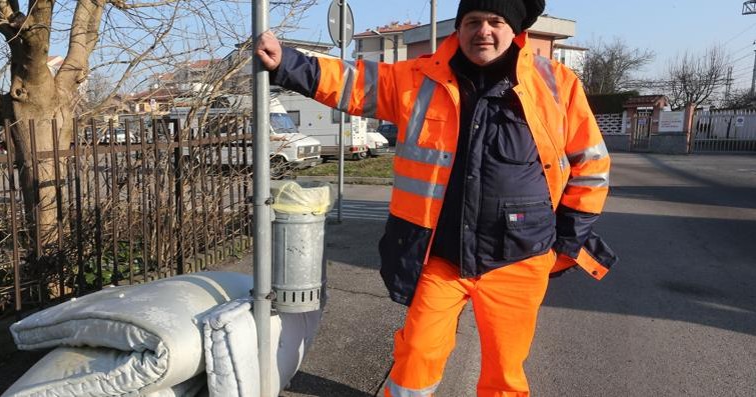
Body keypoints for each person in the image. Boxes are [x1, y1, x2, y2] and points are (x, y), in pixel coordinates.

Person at [256, 0, 618, 396]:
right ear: (458, 29)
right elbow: (353, 82)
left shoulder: (556, 84)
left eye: (495, 21)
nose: (484, 31)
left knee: (505, 373)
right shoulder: (418, 78)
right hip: (440, 257)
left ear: (514, 31)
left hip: (521, 258)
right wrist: (287, 63)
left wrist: (566, 239)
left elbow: (591, 164)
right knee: (416, 357)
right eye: (473, 21)